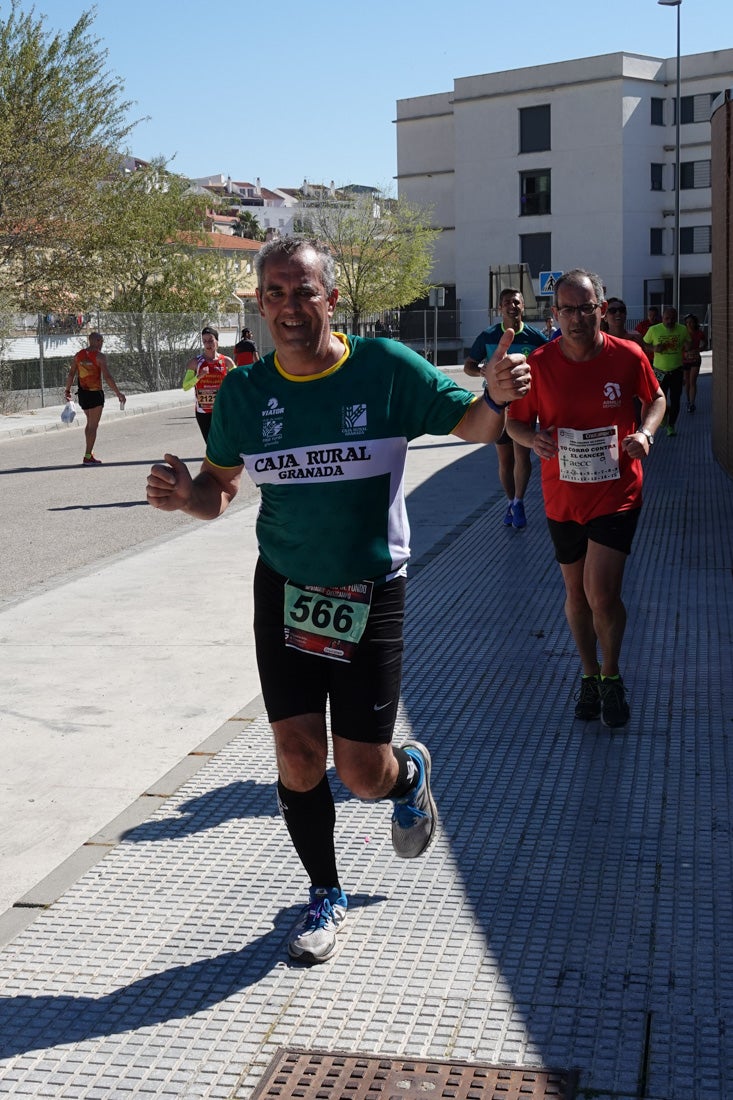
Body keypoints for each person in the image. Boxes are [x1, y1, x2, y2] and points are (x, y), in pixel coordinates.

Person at [147, 235, 530, 964]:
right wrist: (181, 498)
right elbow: (217, 490)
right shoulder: (243, 393)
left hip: (370, 588)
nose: (290, 307)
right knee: (296, 753)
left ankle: (407, 773)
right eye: (275, 294)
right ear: (259, 305)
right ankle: (324, 891)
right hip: (284, 587)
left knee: (360, 773)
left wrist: (497, 399)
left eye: (304, 291)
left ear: (330, 296)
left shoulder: (384, 369)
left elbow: (477, 426)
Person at [507, 269, 665, 729]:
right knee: (576, 595)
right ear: (554, 314)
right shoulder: (538, 363)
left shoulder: (628, 355)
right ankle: (589, 674)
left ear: (601, 308)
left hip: (618, 491)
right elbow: (514, 423)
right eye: (568, 309)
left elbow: (655, 399)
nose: (577, 317)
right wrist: (532, 439)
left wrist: (645, 433)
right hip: (562, 498)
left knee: (601, 592)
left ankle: (612, 675)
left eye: (586, 307)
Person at [464, 287, 546, 529]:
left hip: (524, 405)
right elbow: (469, 365)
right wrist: (481, 370)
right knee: (505, 459)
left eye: (517, 302)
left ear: (523, 306)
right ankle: (510, 501)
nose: (513, 306)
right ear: (500, 308)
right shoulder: (488, 336)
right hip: (497, 406)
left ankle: (519, 502)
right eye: (508, 302)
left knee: (523, 455)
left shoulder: (535, 337)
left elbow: (549, 361)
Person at [64, 331, 125, 466]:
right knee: (93, 425)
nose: (102, 343)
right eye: (101, 341)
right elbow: (108, 377)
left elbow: (71, 374)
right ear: (96, 341)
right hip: (95, 393)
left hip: (83, 394)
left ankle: (89, 453)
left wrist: (67, 390)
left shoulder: (78, 355)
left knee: (89, 423)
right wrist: (118, 393)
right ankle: (87, 456)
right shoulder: (100, 357)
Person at [643, 307, 690, 437]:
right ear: (662, 318)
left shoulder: (682, 329)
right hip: (660, 371)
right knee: (658, 398)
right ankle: (663, 415)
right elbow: (643, 344)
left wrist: (687, 346)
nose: (670, 321)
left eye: (672, 319)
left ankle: (671, 425)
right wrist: (653, 348)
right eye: (667, 319)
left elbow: (688, 344)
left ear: (676, 318)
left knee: (675, 400)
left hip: (676, 370)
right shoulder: (654, 330)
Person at [184, 326, 235, 442]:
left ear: (217, 341)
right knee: (211, 444)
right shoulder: (195, 362)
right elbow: (185, 386)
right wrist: (199, 376)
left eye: (211, 340)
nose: (208, 344)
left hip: (223, 409)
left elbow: (239, 381)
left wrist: (229, 381)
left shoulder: (226, 361)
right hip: (204, 411)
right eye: (204, 341)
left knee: (226, 442)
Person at [682, 314, 707, 413]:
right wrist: (684, 354)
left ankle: (692, 403)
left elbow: (705, 343)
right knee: (687, 382)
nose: (689, 324)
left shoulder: (699, 333)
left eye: (691, 322)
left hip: (695, 360)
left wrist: (699, 350)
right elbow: (679, 346)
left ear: (695, 323)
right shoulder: (683, 333)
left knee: (693, 381)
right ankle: (688, 400)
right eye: (687, 322)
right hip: (685, 360)